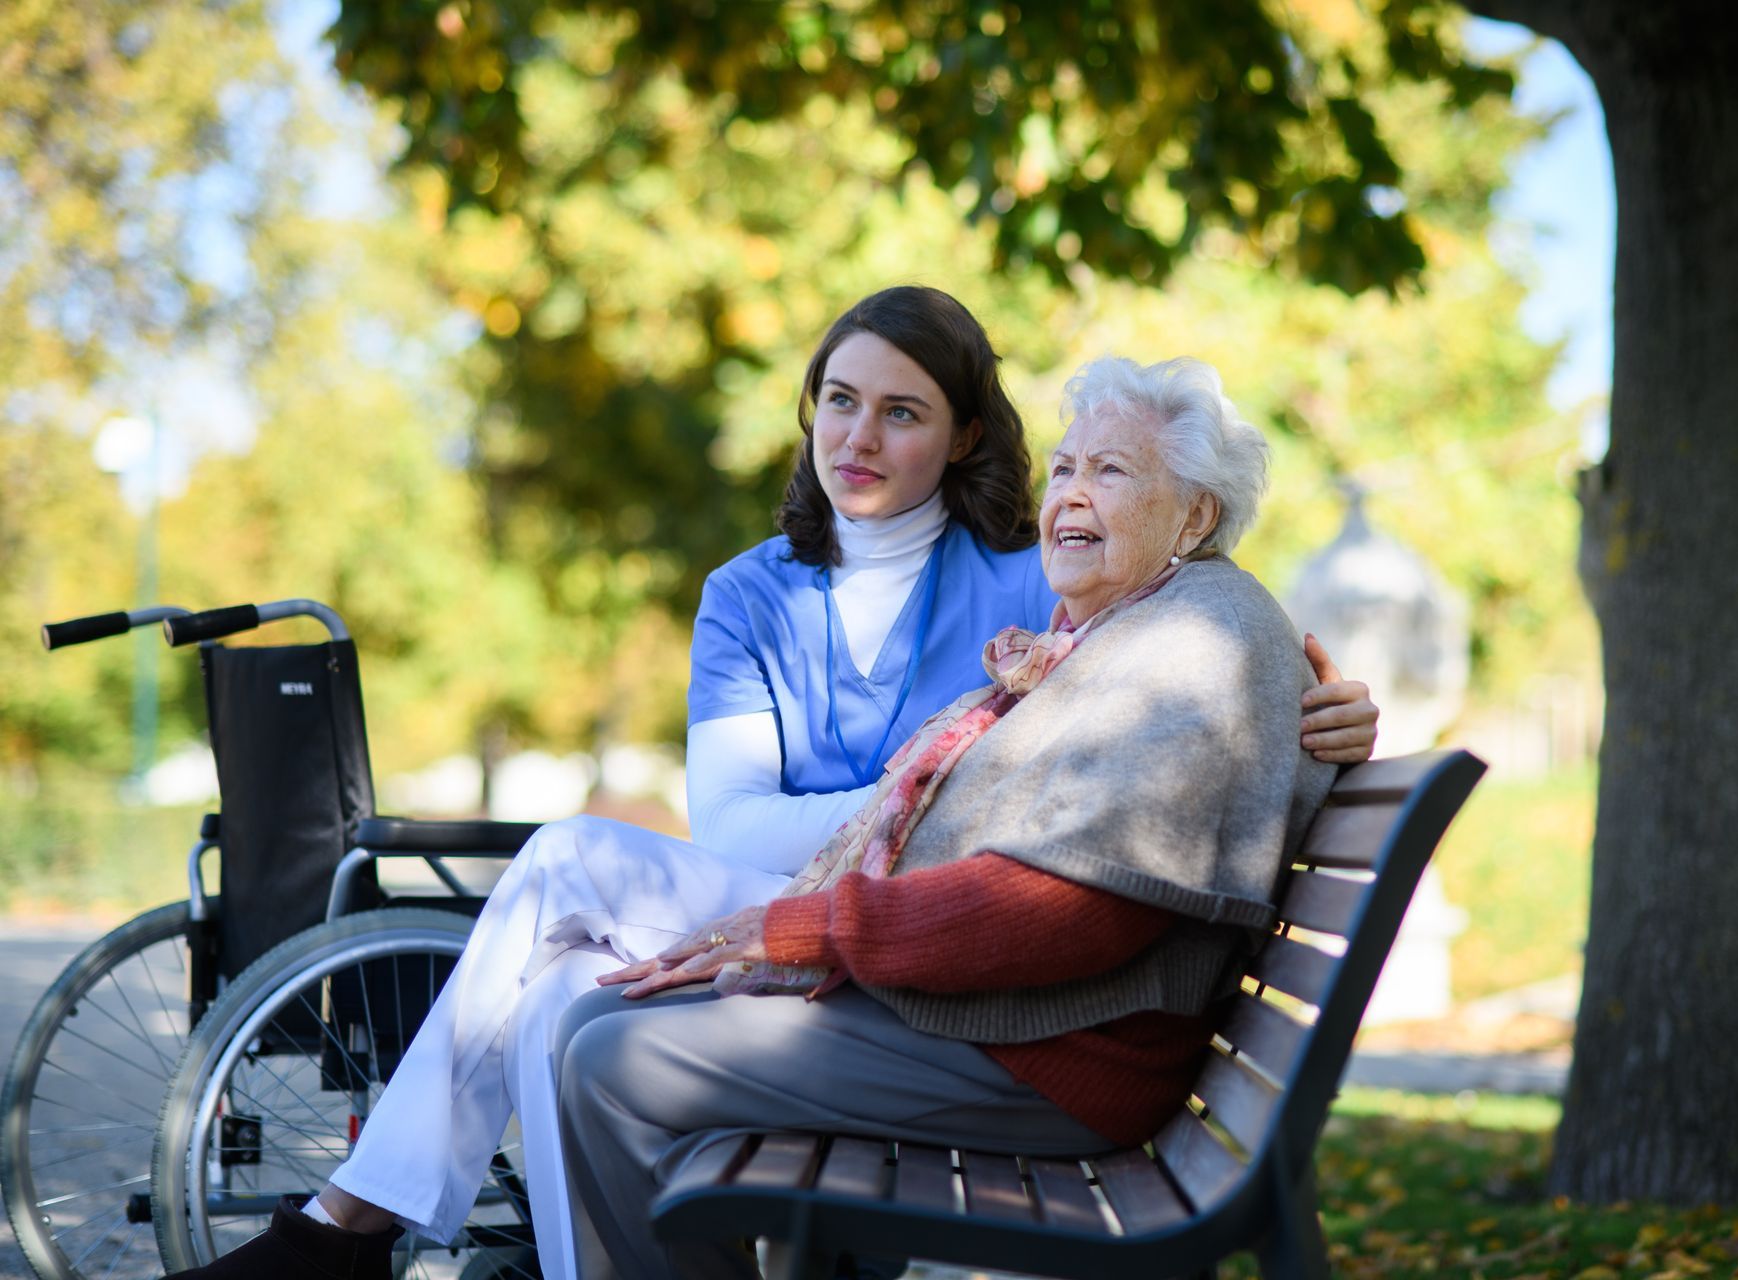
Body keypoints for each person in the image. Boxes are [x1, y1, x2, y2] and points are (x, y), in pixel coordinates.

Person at [169, 295, 1376, 1280]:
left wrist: (1327, 704)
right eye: (837, 403)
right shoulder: (760, 592)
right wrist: (868, 863)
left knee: (582, 962)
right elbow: (740, 824)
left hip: (988, 998)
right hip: (909, 948)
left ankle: (350, 1228)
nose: (856, 436)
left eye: (900, 411)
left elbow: (1208, 705)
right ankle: (400, 1232)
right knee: (571, 988)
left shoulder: (1049, 592)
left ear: (959, 436)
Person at [552, 353, 1343, 1280]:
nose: (1070, 497)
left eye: (1111, 471)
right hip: (1012, 1026)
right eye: (1065, 470)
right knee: (587, 1031)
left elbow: (1076, 911)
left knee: (614, 1066)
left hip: (1054, 1058)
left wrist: (806, 927)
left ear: (1197, 516)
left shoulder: (1197, 642)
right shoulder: (1127, 632)